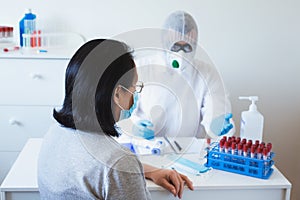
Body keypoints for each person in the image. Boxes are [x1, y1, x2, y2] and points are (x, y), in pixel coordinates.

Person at [38, 39, 193, 200]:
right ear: (118, 94)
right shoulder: (118, 162)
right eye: (134, 88)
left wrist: (147, 171)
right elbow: (112, 168)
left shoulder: (55, 133)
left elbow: (93, 169)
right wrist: (129, 169)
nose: (135, 95)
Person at [131, 10, 235, 139]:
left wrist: (216, 125)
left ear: (195, 44)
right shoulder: (142, 68)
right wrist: (133, 127)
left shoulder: (207, 74)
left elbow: (216, 109)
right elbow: (120, 111)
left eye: (187, 47)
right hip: (146, 148)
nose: (181, 54)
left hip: (190, 153)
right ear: (164, 43)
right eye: (175, 46)